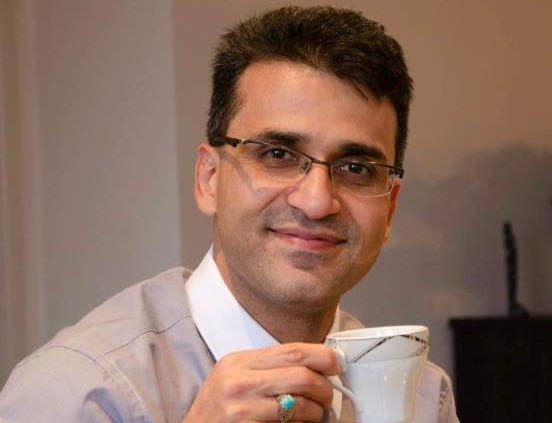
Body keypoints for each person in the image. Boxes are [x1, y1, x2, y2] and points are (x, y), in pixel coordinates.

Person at [0, 6, 459, 423]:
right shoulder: (77, 394)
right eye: (277, 154)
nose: (317, 201)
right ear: (209, 179)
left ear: (390, 206)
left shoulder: (420, 396)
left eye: (356, 168)